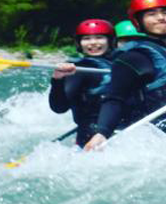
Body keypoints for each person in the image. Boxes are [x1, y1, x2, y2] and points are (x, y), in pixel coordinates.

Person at [85, 0, 166, 151]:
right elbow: (114, 98)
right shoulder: (134, 57)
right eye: (151, 14)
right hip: (159, 136)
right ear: (138, 22)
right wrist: (102, 133)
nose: (161, 18)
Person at [48, 19, 119, 148]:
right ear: (79, 43)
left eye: (99, 37)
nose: (93, 43)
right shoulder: (79, 70)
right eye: (86, 38)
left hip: (123, 130)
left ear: (110, 41)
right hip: (91, 136)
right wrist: (57, 80)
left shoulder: (120, 63)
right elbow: (59, 107)